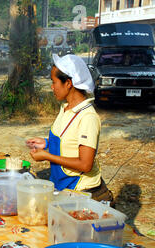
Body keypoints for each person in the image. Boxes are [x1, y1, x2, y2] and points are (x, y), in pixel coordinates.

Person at [26, 54, 114, 204]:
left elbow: (85, 164)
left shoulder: (88, 117)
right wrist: (46, 143)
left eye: (54, 82)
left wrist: (47, 156)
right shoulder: (65, 108)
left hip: (82, 191)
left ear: (68, 83)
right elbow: (69, 140)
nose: (52, 87)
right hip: (63, 186)